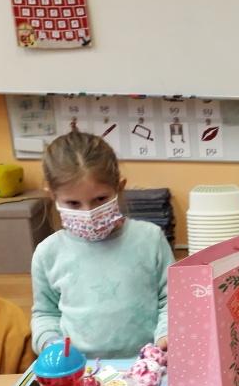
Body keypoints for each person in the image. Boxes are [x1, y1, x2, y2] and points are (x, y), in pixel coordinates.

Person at [31, 129, 173, 358]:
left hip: (146, 364)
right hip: (80, 369)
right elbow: (45, 314)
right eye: (73, 203)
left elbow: (171, 300)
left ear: (119, 187)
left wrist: (167, 335)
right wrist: (50, 343)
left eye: (100, 199)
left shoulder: (150, 239)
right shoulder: (48, 253)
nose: (89, 212)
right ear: (53, 196)